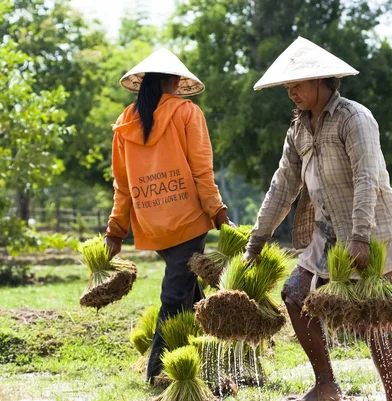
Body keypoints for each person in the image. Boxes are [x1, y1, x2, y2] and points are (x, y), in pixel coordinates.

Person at [243, 37, 392, 401]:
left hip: (376, 230)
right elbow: (283, 185)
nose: (291, 92)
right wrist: (256, 241)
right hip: (328, 230)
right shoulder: (298, 130)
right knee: (294, 294)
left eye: (297, 84)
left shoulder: (354, 118)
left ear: (320, 80)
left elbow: (367, 177)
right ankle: (326, 384)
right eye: (287, 86)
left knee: (376, 323)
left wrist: (361, 236)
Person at [103, 48, 232, 384]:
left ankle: (213, 363)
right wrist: (219, 214)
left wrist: (116, 230)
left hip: (151, 222)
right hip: (188, 220)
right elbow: (202, 171)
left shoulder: (125, 122)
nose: (179, 82)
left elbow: (123, 186)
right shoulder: (187, 112)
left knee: (189, 295)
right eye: (176, 77)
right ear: (170, 80)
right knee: (175, 297)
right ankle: (158, 374)